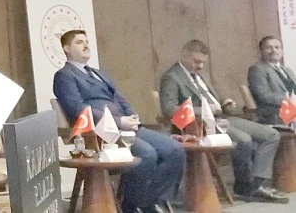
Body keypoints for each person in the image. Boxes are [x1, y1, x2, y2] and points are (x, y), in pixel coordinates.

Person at [53, 30, 184, 213]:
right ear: (67, 48)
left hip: (126, 127)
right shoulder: (64, 76)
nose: (86, 45)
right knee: (147, 155)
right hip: (100, 134)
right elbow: (79, 110)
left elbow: (119, 99)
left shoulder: (99, 74)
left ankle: (150, 201)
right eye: (79, 42)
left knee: (174, 150)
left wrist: (131, 116)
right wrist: (118, 121)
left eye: (87, 41)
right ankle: (129, 206)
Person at [160, 40, 287, 203]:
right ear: (184, 56)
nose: (200, 66)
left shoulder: (201, 75)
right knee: (243, 139)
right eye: (196, 61)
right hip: (198, 125)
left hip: (221, 118)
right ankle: (244, 187)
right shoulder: (172, 77)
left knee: (271, 135)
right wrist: (204, 110)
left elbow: (213, 100)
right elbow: (169, 109)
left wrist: (225, 103)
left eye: (203, 62)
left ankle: (258, 184)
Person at [248, 36, 296, 124]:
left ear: (281, 51)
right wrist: (288, 101)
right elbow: (263, 96)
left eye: (277, 47)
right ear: (261, 51)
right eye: (269, 48)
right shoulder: (257, 69)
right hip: (273, 112)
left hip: (291, 109)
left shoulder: (288, 70)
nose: (274, 50)